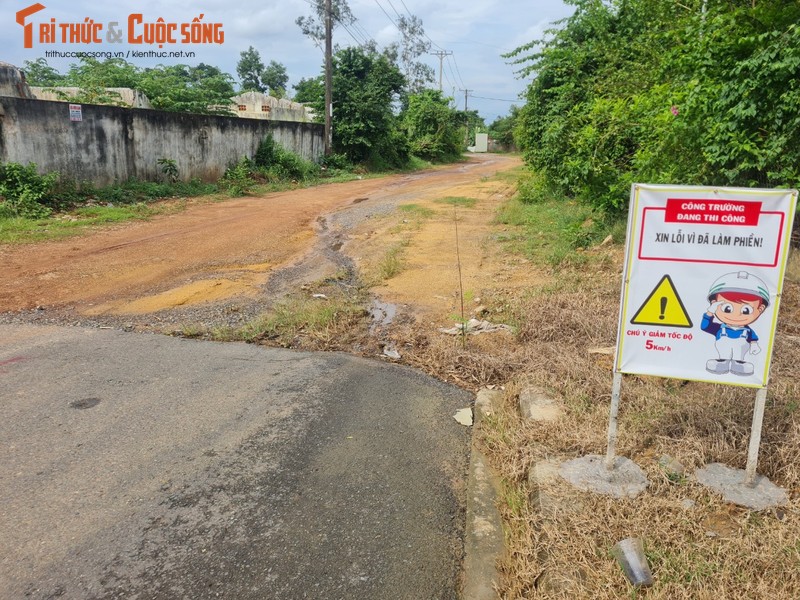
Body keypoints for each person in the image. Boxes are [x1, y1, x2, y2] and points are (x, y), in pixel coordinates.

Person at [701, 271, 769, 376]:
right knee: (723, 355)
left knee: (739, 357)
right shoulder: (720, 328)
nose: (736, 315)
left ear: (760, 309)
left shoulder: (748, 331)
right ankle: (721, 363)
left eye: (746, 310)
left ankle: (739, 364)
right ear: (714, 303)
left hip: (740, 357)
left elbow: (753, 339)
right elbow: (705, 326)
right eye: (727, 309)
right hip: (722, 355)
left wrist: (754, 345)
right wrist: (709, 312)